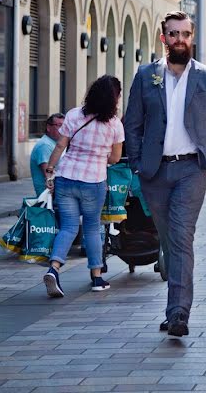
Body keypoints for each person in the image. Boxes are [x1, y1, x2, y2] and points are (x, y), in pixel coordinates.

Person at [124, 11, 206, 337]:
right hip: (154, 172)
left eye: (185, 33)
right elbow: (133, 124)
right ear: (163, 38)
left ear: (192, 36)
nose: (179, 39)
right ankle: (175, 306)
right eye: (173, 34)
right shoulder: (146, 76)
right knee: (168, 240)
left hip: (190, 171)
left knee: (181, 237)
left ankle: (178, 314)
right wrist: (139, 164)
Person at [42, 76, 124, 297]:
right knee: (91, 228)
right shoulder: (115, 124)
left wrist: (50, 169)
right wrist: (99, 154)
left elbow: (60, 145)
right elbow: (116, 158)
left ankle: (54, 269)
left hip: (66, 178)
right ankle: (97, 277)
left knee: (68, 227)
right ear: (114, 98)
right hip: (94, 181)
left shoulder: (74, 114)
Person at [31, 113, 64, 196]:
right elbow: (48, 173)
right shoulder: (44, 145)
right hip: (49, 195)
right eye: (59, 125)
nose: (63, 129)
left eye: (65, 126)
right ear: (48, 128)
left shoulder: (57, 143)